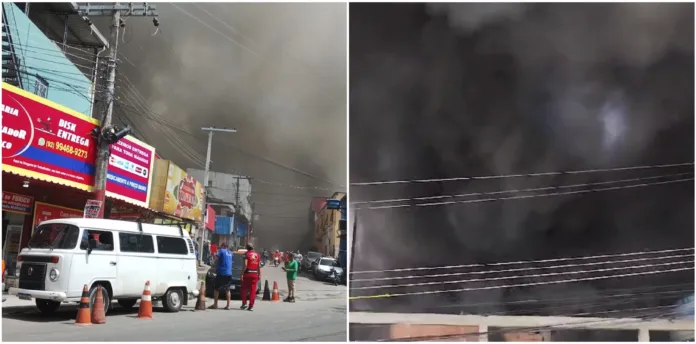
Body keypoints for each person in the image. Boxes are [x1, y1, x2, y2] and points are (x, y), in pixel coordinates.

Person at [210, 242, 233, 309]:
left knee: (216, 289)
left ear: (222, 246)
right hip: (229, 273)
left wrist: (213, 254)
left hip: (221, 273)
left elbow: (215, 258)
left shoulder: (221, 251)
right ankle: (228, 306)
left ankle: (215, 304)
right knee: (228, 289)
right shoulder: (230, 253)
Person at [240, 243, 261, 311]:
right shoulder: (257, 255)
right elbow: (258, 266)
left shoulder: (246, 254)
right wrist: (259, 274)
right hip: (255, 274)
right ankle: (251, 305)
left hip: (247, 274)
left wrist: (242, 273)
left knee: (244, 289)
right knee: (253, 290)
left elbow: (245, 265)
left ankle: (244, 303)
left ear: (247, 248)